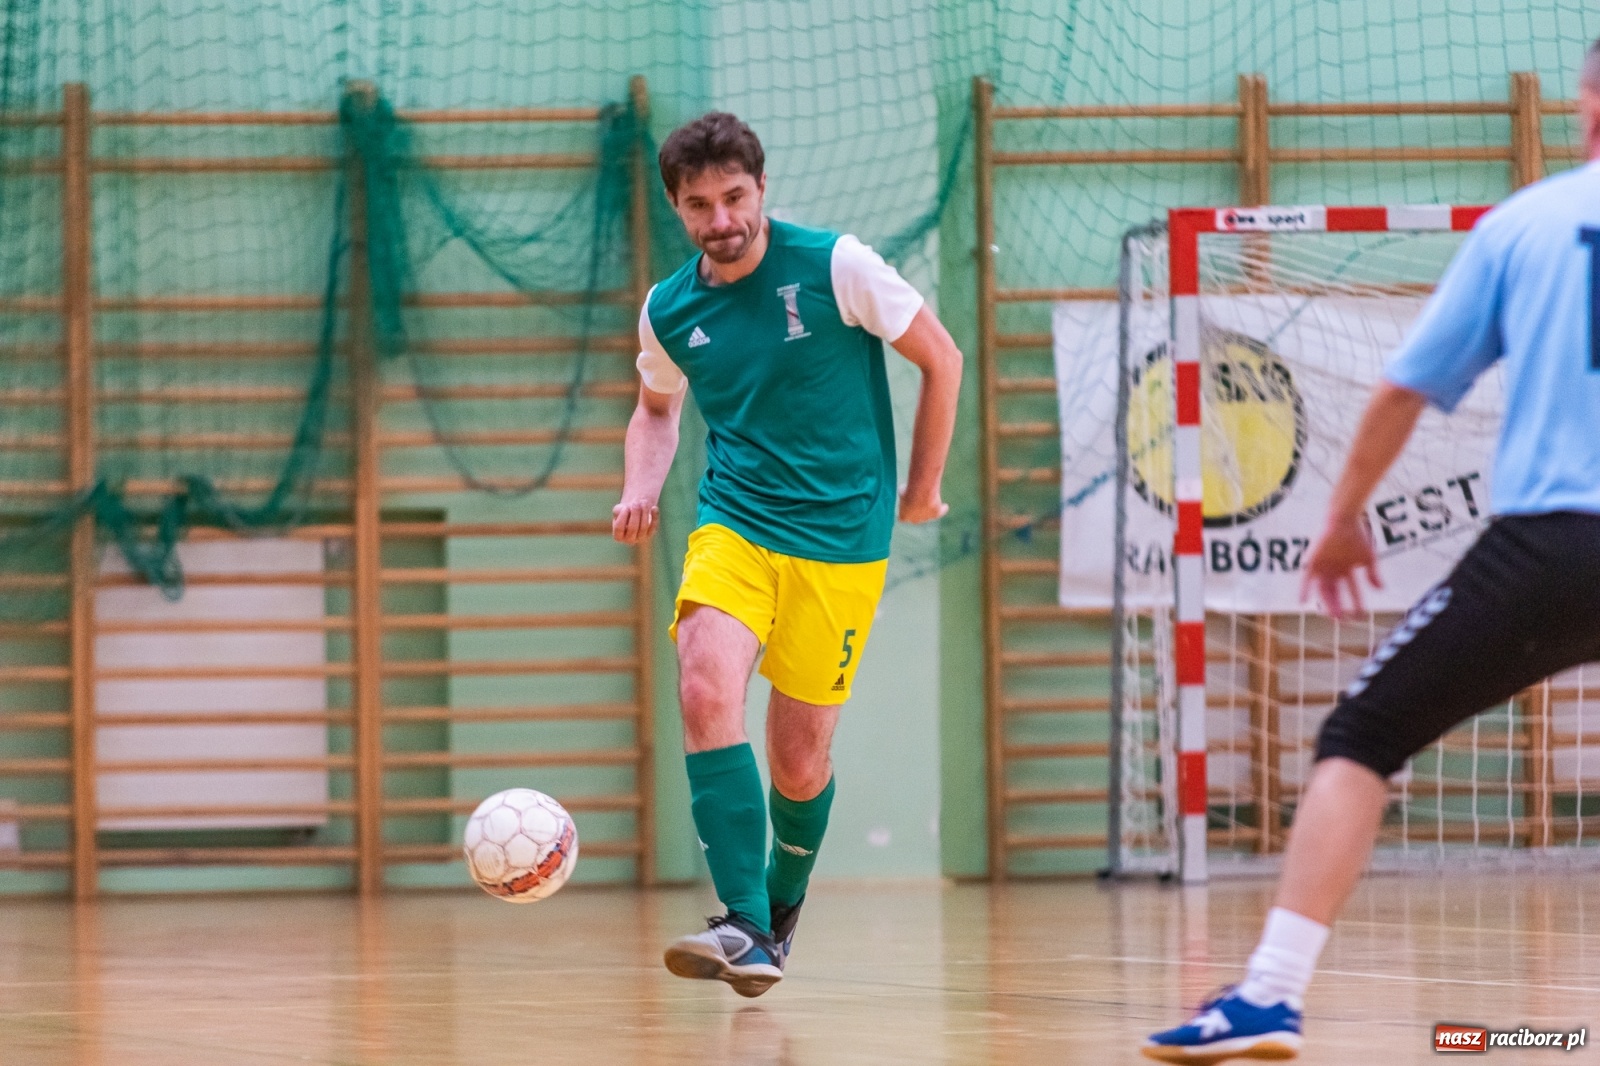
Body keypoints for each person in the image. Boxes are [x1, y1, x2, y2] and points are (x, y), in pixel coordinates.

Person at [1144, 40, 1600, 1065]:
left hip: (1552, 544)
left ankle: (1268, 993)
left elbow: (1403, 389)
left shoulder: (1525, 224)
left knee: (1361, 731)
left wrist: (1343, 515)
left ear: (1587, 110)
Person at [612, 111, 962, 998]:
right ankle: (739, 920)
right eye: (699, 205)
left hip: (842, 541)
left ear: (761, 190)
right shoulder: (668, 309)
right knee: (702, 680)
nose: (719, 218)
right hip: (734, 522)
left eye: (734, 198)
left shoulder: (837, 266)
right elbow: (656, 410)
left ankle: (774, 919)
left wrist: (921, 489)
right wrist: (642, 487)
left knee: (800, 761)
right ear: (677, 208)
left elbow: (942, 358)